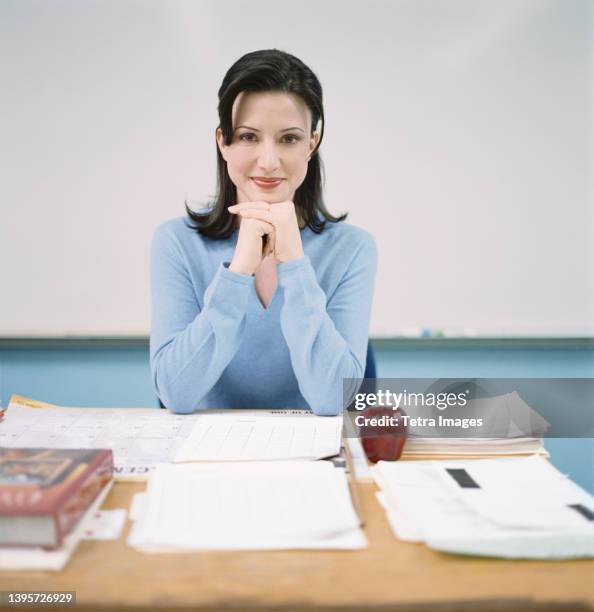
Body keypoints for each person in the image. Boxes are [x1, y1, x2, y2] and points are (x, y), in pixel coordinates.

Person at [150, 49, 377, 415]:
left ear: (311, 144)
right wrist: (238, 270)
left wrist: (295, 263)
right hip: (205, 461)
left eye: (288, 138)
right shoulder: (176, 242)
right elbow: (175, 393)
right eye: (248, 137)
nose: (269, 161)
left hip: (314, 463)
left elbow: (335, 399)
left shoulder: (352, 248)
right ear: (223, 142)